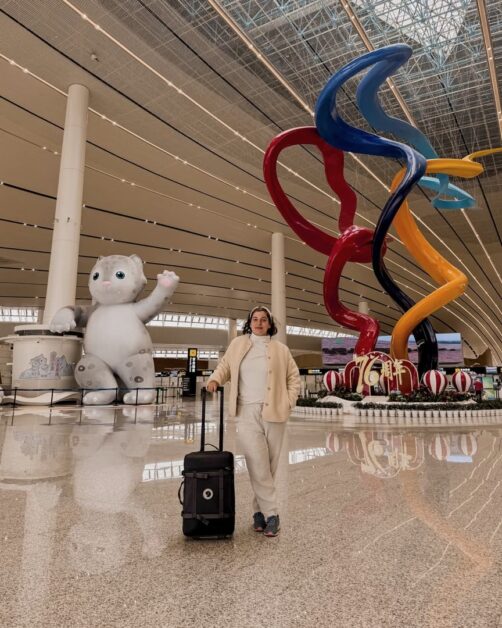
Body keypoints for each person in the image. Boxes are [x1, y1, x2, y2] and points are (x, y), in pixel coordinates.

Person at [207, 306, 300, 537]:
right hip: (246, 412)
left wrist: (288, 402)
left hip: (275, 412)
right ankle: (272, 514)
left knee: (269, 465)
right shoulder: (238, 344)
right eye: (255, 319)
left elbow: (293, 378)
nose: (259, 323)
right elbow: (225, 366)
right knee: (257, 463)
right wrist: (215, 379)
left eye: (263, 319)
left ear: (270, 324)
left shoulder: (281, 350)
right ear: (249, 323)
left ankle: (258, 512)